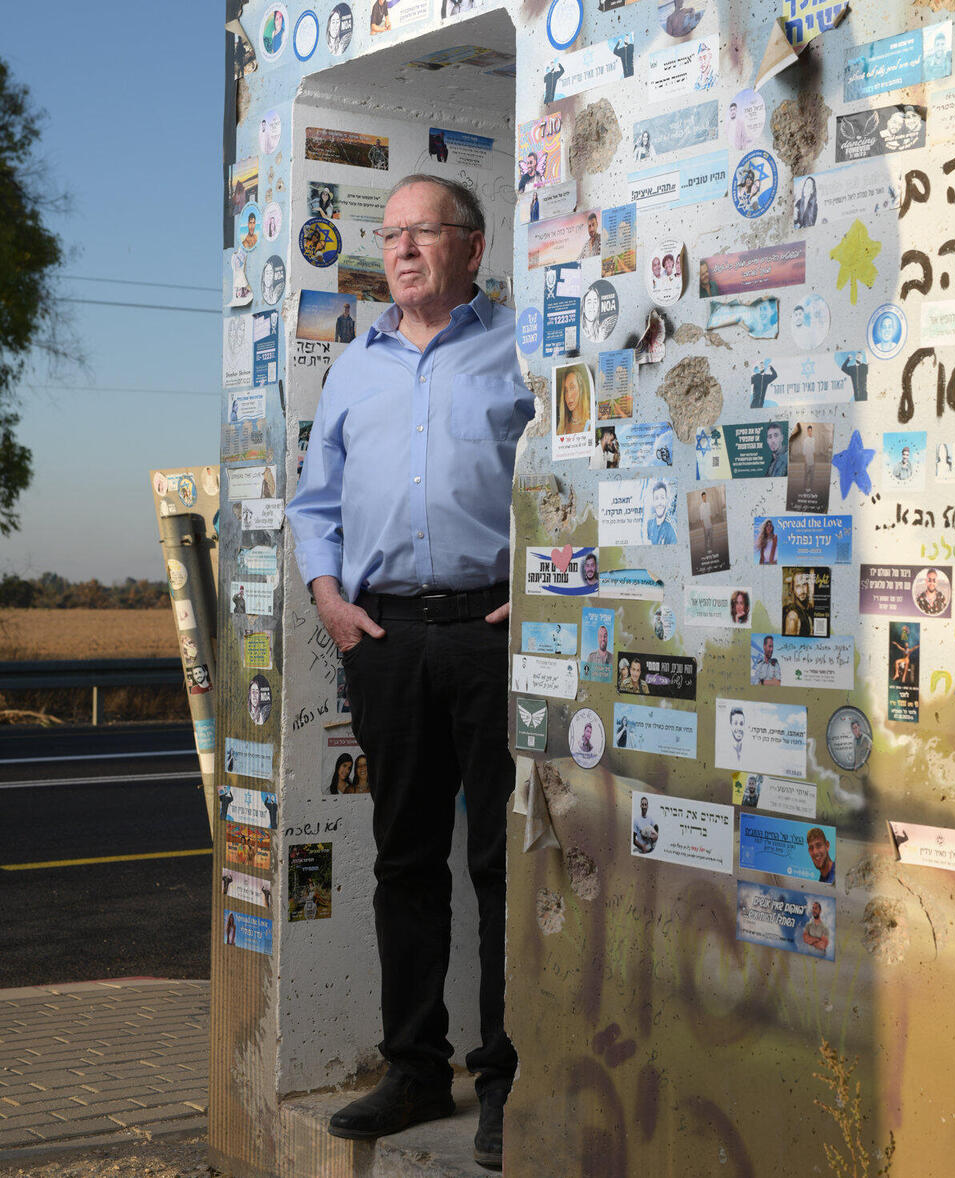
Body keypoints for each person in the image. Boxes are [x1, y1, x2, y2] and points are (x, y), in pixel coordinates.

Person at [285, 174, 531, 1168]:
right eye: (389, 235)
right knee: (404, 859)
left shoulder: (521, 348)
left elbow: (568, 473)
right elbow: (317, 500)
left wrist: (546, 589)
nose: (401, 249)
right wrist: (329, 599)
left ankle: (510, 1071)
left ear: (471, 247)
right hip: (383, 638)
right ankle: (416, 1065)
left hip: (492, 630)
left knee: (503, 865)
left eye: (421, 232)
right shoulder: (354, 367)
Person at [557, 368, 588, 433]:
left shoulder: (589, 424)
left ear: (581, 389)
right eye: (566, 390)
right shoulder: (562, 427)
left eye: (572, 387)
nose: (568, 395)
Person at [783, 572, 814, 636]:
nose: (802, 591)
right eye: (798, 586)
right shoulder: (792, 616)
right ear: (793, 589)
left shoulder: (806, 609)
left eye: (804, 585)